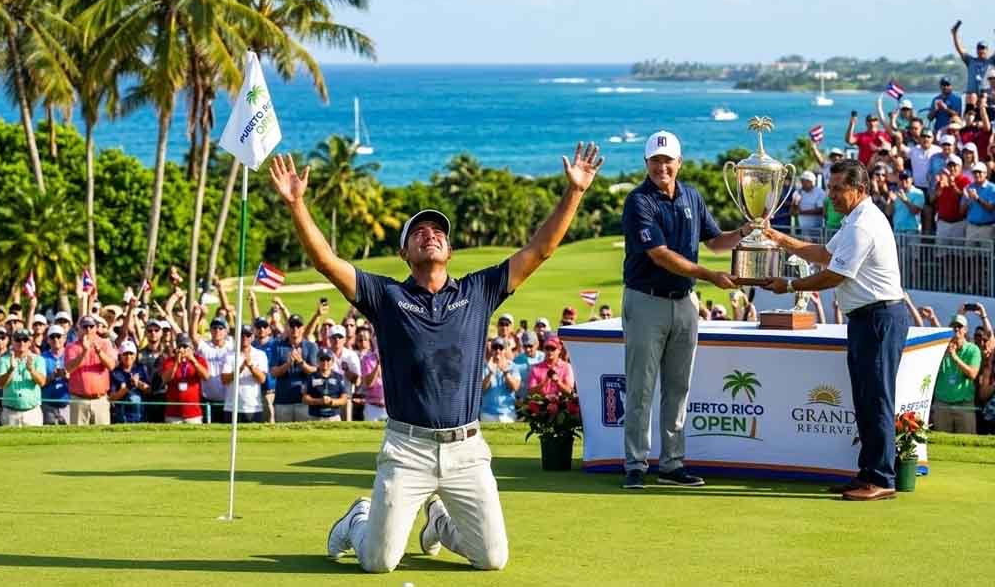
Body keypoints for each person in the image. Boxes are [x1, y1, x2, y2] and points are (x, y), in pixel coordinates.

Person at [269, 140, 602, 572]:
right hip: (407, 450)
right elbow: (326, 261)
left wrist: (574, 191)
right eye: (420, 232)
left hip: (467, 451)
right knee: (379, 562)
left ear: (450, 252)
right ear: (404, 253)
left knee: (493, 559)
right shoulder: (385, 295)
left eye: (438, 232)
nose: (432, 235)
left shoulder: (477, 292)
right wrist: (297, 204)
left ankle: (439, 526)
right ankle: (359, 520)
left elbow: (539, 250)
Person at [762, 159, 907, 500]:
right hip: (867, 318)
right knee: (865, 399)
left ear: (859, 189)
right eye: (830, 188)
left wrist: (790, 285)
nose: (832, 195)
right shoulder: (854, 220)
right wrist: (779, 238)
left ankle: (881, 479)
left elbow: (834, 275)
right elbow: (825, 254)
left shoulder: (861, 226)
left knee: (876, 399)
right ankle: (868, 473)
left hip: (878, 318)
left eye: (838, 189)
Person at [620, 131, 746, 490]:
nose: (662, 166)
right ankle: (635, 464)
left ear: (679, 162)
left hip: (684, 302)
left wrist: (745, 231)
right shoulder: (639, 201)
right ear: (647, 164)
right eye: (655, 160)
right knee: (641, 388)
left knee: (678, 387)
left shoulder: (691, 196)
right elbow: (659, 254)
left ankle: (672, 463)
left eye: (668, 160)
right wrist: (708, 274)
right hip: (646, 300)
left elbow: (716, 241)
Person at [932, 314, 980, 434]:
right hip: (942, 404)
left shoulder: (973, 350)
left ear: (966, 329)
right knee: (941, 443)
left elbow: (972, 374)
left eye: (959, 326)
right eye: (954, 326)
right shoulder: (941, 348)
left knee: (967, 443)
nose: (956, 329)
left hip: (964, 405)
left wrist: (954, 357)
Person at [64, 315, 115, 425]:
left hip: (100, 399)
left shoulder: (105, 343)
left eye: (91, 326)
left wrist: (99, 352)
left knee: (102, 437)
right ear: (79, 328)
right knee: (78, 438)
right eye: (85, 326)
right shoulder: (71, 346)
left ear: (96, 328)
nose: (88, 329)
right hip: (79, 400)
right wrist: (84, 351)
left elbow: (111, 366)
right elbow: (69, 368)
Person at [271, 314, 318, 422]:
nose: (295, 329)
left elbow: (315, 372)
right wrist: (288, 364)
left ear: (303, 328)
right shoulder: (278, 346)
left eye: (298, 325)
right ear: (287, 327)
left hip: (304, 401)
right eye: (292, 325)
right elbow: (273, 372)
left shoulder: (311, 346)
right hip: (283, 400)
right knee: (283, 436)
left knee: (304, 436)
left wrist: (301, 363)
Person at [0, 329, 47, 426]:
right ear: (12, 341)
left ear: (30, 342)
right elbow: (0, 384)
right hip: (10, 413)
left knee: (34, 441)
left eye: (25, 340)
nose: (22, 342)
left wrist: (31, 370)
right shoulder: (4, 360)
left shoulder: (38, 359)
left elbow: (42, 382)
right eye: (18, 340)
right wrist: (10, 370)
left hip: (32, 412)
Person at [221, 325, 268, 423]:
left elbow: (262, 379)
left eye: (248, 335)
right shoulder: (229, 355)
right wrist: (241, 368)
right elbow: (224, 380)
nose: (244, 338)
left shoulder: (260, 354)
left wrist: (250, 366)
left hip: (253, 407)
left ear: (252, 337)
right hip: (232, 407)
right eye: (242, 335)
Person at [161, 333, 208, 424]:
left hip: (193, 413)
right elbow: (165, 379)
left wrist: (193, 360)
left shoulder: (199, 359)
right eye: (181, 346)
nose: (183, 350)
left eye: (186, 346)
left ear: (192, 348)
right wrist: (176, 363)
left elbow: (206, 376)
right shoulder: (169, 361)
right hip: (173, 413)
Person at [198, 316, 232, 422]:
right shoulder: (204, 346)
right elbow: (193, 336)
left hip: (227, 399)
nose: (217, 330)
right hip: (207, 398)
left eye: (221, 328)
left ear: (226, 331)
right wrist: (196, 315)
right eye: (214, 327)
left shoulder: (232, 347)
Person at [109, 341, 150, 424]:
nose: (128, 356)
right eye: (125, 354)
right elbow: (112, 397)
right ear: (120, 356)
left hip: (140, 415)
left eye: (131, 354)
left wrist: (137, 383)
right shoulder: (115, 372)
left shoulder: (141, 368)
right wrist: (128, 387)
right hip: (121, 416)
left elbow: (149, 390)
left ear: (135, 355)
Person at [479, 339, 520, 423]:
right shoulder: (484, 366)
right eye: (495, 347)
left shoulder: (512, 366)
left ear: (504, 350)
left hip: (508, 414)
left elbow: (515, 387)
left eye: (500, 348)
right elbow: (482, 389)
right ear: (491, 350)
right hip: (487, 413)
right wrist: (490, 373)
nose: (498, 350)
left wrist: (506, 373)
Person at [302, 348, 348, 421]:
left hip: (334, 417)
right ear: (317, 361)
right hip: (315, 417)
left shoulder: (339, 377)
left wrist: (331, 401)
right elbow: (304, 399)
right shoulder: (311, 377)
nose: (325, 362)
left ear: (332, 361)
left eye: (328, 359)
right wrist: (319, 401)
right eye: (322, 359)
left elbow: (344, 399)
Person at [951, 21, 992, 98]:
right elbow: (960, 49)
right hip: (972, 96)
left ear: (987, 50)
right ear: (976, 50)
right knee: (970, 99)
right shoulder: (971, 61)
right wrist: (955, 34)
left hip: (986, 97)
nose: (981, 50)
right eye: (979, 48)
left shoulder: (991, 61)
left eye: (983, 48)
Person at [935, 155, 971, 239]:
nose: (952, 168)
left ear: (961, 167)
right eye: (950, 166)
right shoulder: (942, 181)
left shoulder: (965, 181)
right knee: (942, 252)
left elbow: (965, 198)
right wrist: (939, 187)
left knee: (957, 251)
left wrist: (953, 185)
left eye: (955, 166)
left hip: (959, 223)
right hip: (943, 223)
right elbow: (933, 199)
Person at [40, 324, 70, 424]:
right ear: (48, 340)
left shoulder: (71, 355)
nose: (55, 339)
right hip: (48, 405)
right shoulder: (42, 358)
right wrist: (51, 377)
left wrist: (68, 377)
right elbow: (39, 382)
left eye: (58, 336)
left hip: (68, 404)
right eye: (52, 337)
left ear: (65, 338)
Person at [961, 162, 995, 243]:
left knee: (986, 255)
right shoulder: (968, 187)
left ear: (985, 174)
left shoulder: (992, 188)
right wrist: (968, 199)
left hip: (987, 228)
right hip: (971, 227)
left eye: (979, 172)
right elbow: (961, 211)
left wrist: (977, 198)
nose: (977, 174)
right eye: (975, 172)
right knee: (969, 255)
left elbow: (991, 208)